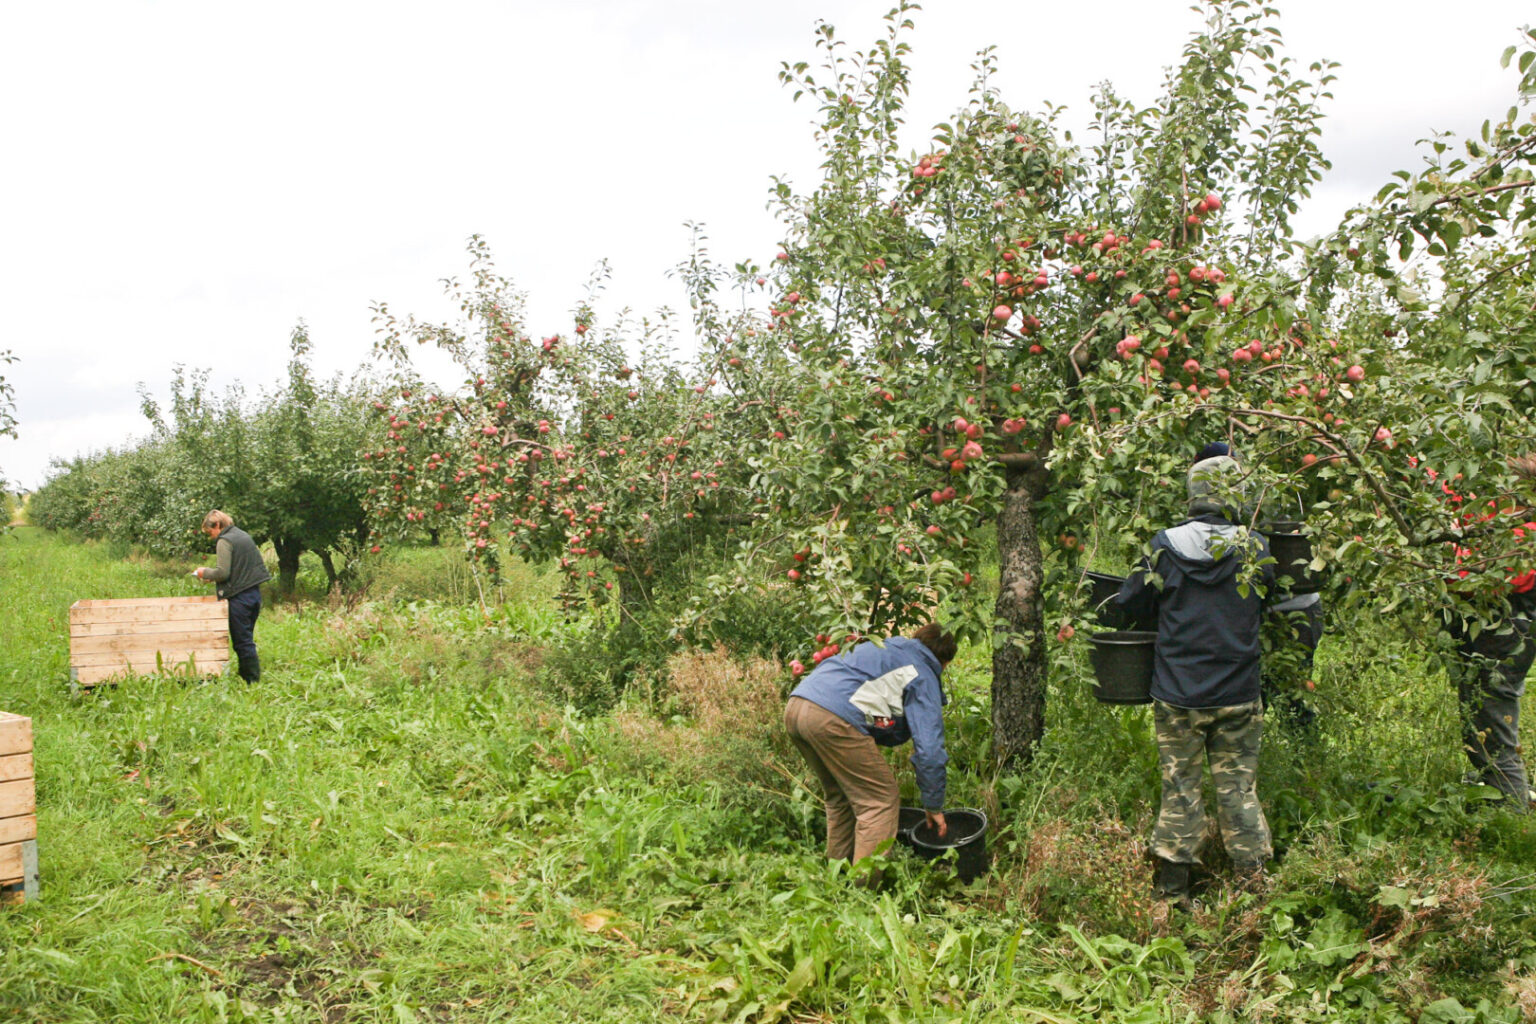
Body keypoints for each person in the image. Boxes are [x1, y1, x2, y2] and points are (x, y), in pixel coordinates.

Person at [1114, 452, 1277, 905]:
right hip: (1237, 691)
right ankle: (1251, 888)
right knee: (1238, 789)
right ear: (1235, 495)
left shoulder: (1164, 545)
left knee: (1180, 788)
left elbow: (1131, 602)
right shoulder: (1255, 547)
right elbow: (1269, 599)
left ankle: (1173, 890)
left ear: (1193, 494)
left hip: (1179, 693)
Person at [784, 624, 957, 878]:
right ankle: (862, 892)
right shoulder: (923, 672)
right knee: (880, 801)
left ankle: (837, 880)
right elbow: (930, 751)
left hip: (797, 705)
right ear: (945, 661)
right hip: (831, 717)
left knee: (841, 797)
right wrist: (933, 805)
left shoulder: (885, 647)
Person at [191, 510, 271, 682]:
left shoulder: (225, 540)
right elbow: (240, 569)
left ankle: (251, 681)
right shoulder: (243, 536)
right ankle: (246, 676)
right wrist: (212, 578)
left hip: (239, 598)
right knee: (246, 638)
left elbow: (222, 573)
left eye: (210, 532)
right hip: (254, 595)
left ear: (217, 525)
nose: (212, 537)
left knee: (242, 642)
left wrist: (204, 572)